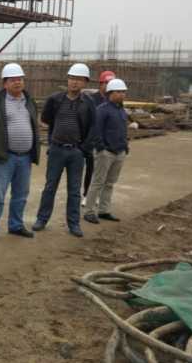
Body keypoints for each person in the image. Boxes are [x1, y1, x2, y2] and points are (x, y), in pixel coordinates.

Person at [33, 63, 96, 238]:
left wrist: (83, 149)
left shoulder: (88, 103)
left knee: (74, 190)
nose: (74, 82)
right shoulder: (55, 99)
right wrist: (53, 141)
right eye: (72, 78)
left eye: (79, 79)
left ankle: (74, 224)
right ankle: (42, 219)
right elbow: (46, 118)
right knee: (50, 187)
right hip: (57, 150)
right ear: (67, 80)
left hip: (76, 152)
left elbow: (93, 127)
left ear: (85, 82)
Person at [0, 63, 40, 241]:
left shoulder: (29, 101)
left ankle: (16, 225)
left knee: (20, 195)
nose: (17, 82)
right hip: (4, 157)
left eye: (20, 79)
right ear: (5, 83)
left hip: (25, 158)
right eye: (13, 80)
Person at [84, 79, 129, 225]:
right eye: (119, 92)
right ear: (110, 93)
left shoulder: (121, 110)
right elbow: (96, 130)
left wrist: (125, 146)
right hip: (106, 152)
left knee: (110, 183)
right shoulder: (102, 110)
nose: (122, 94)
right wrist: (101, 148)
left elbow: (123, 129)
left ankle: (104, 210)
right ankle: (89, 211)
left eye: (123, 92)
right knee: (97, 182)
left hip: (119, 152)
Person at [82, 70, 115, 206]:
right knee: (91, 169)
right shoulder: (92, 99)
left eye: (111, 83)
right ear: (101, 84)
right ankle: (86, 195)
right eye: (106, 83)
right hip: (92, 140)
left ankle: (97, 196)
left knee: (104, 172)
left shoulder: (112, 100)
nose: (108, 86)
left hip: (108, 141)